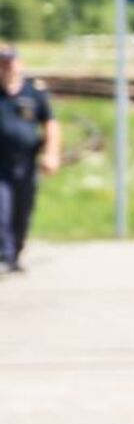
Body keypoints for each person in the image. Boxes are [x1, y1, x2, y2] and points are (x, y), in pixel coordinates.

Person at [0, 44, 61, 274]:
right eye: (2, 64)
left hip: (26, 162)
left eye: (10, 63)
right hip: (0, 164)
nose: (7, 68)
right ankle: (5, 255)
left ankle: (14, 253)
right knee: (1, 209)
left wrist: (52, 153)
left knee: (22, 212)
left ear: (20, 64)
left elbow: (51, 124)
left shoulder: (33, 91)